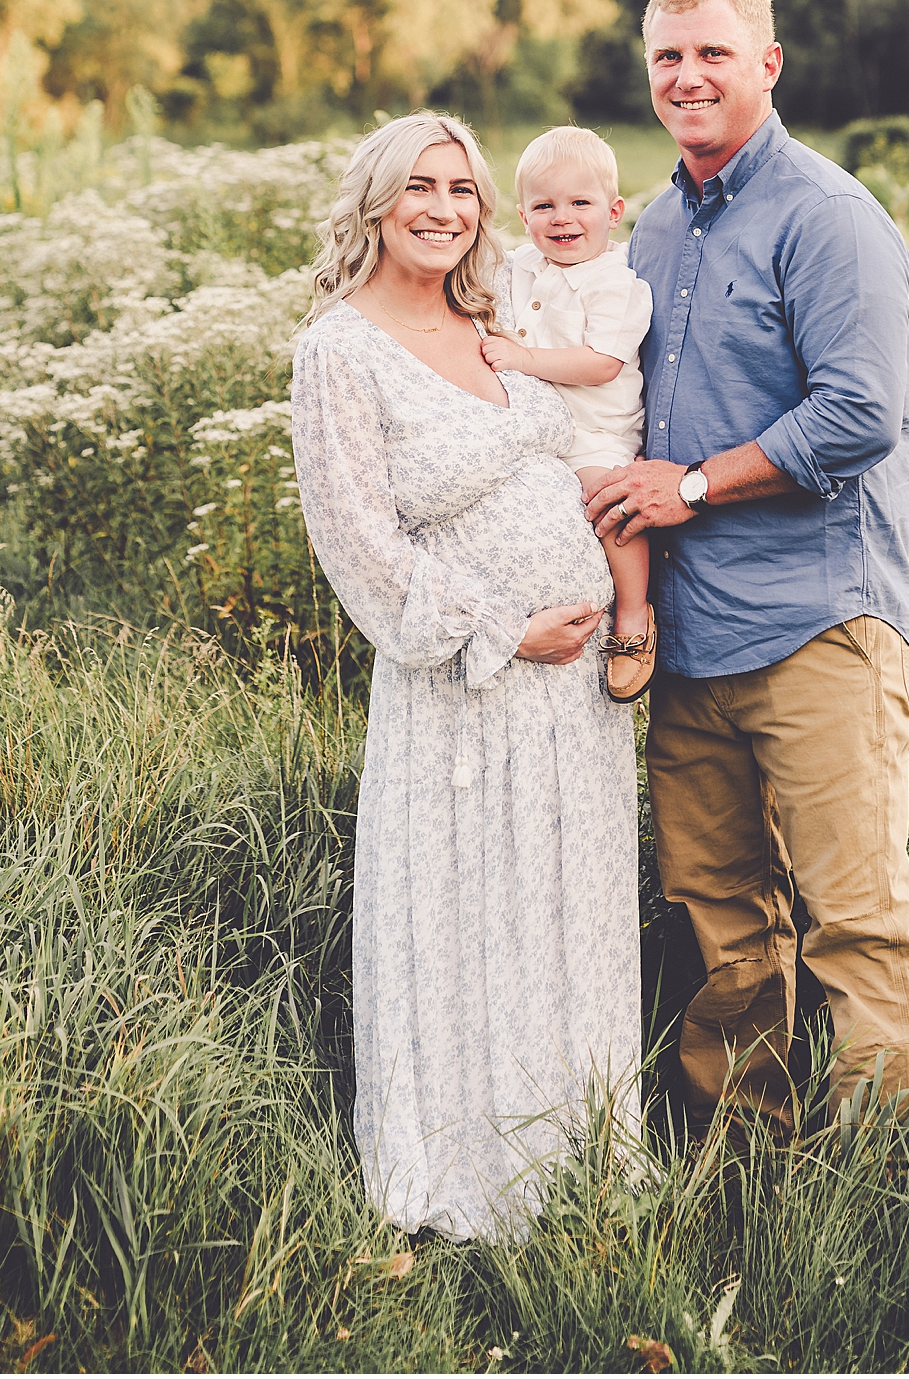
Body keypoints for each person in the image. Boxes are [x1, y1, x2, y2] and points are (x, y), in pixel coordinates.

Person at [585, 0, 909, 1131]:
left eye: (713, 55)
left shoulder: (826, 217)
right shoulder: (652, 223)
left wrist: (689, 485)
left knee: (855, 919)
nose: (686, 77)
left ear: (767, 67)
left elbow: (858, 414)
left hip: (819, 624)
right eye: (667, 59)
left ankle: (870, 1196)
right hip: (691, 639)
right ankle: (743, 1160)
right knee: (722, 921)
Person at [290, 112, 640, 1240]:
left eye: (462, 189)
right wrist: (500, 629)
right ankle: (467, 1179)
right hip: (465, 688)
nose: (443, 208)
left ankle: (578, 1159)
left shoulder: (494, 318)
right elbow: (357, 546)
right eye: (419, 188)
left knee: (569, 918)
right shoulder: (338, 350)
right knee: (469, 920)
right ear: (375, 204)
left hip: (573, 696)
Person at [479, 126, 658, 701]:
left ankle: (633, 617)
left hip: (594, 429)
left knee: (608, 501)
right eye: (544, 205)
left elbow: (604, 363)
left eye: (581, 203)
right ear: (523, 214)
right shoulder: (521, 265)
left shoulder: (618, 282)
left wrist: (525, 359)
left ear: (614, 210)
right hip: (531, 425)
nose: (563, 218)